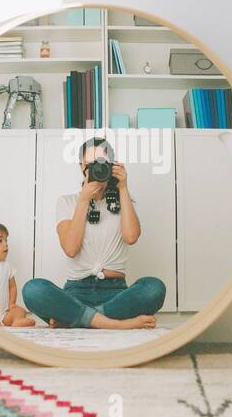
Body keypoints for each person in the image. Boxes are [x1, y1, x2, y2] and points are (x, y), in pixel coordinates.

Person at [21, 138, 166, 329]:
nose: (97, 167)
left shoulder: (124, 199)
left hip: (116, 293)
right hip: (75, 293)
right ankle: (113, 323)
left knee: (154, 288)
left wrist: (123, 187)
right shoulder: (67, 202)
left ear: (113, 165)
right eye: (91, 163)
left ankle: (79, 318)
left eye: (103, 161)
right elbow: (70, 249)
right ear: (82, 166)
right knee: (33, 289)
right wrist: (83, 200)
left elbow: (131, 237)